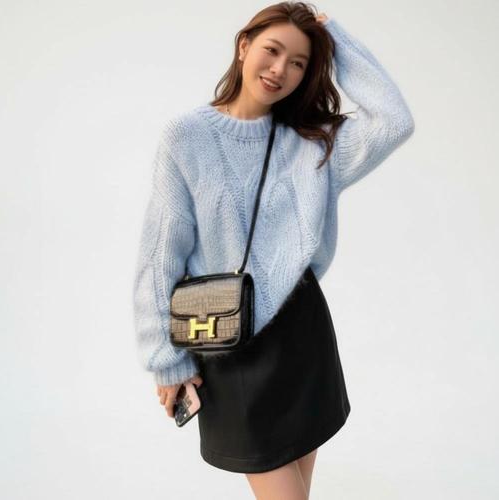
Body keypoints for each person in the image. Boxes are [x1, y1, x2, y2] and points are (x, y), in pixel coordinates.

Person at [132, 2, 414, 498]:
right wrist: (165, 360)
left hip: (302, 332)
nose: (281, 69)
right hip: (226, 341)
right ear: (244, 45)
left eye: (299, 62)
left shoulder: (313, 142)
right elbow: (160, 256)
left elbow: (394, 122)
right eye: (273, 50)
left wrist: (335, 39)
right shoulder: (187, 137)